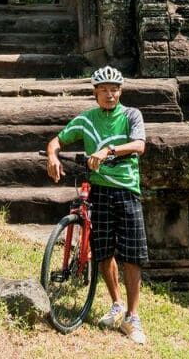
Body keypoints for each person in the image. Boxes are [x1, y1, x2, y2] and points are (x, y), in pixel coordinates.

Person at [45, 65, 148, 345]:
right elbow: (56, 140)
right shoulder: (86, 120)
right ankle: (116, 304)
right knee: (103, 251)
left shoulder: (130, 115)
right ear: (95, 93)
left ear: (120, 91)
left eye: (114, 89)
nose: (110, 94)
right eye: (104, 90)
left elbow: (139, 146)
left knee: (132, 254)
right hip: (99, 191)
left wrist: (108, 150)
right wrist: (52, 156)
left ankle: (132, 316)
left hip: (126, 190)